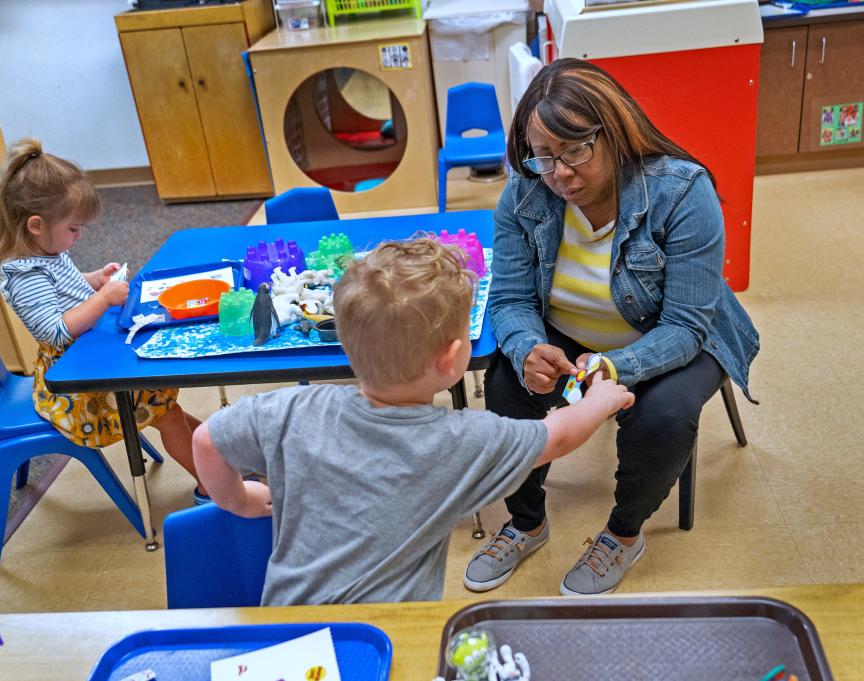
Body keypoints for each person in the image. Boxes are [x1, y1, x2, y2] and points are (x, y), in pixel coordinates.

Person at [192, 239, 634, 605]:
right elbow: (557, 437)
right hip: (391, 640)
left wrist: (240, 501)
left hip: (288, 632)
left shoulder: (290, 409)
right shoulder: (461, 440)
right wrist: (599, 400)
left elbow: (206, 439)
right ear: (451, 359)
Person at [463, 58, 760, 597]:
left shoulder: (681, 191)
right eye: (544, 156)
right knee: (506, 383)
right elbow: (509, 298)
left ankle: (623, 535)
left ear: (615, 131)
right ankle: (527, 522)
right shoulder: (526, 192)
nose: (560, 174)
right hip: (572, 335)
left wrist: (613, 368)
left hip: (672, 334)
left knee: (662, 415)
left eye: (575, 150)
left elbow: (686, 324)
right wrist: (529, 346)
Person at [0, 138, 209, 504]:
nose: (78, 237)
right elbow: (55, 329)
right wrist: (102, 299)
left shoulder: (47, 249)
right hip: (77, 386)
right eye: (74, 229)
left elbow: (66, 290)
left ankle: (220, 462)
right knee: (169, 415)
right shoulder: (24, 275)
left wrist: (93, 280)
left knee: (169, 410)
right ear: (35, 225)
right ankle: (214, 488)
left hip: (89, 360)